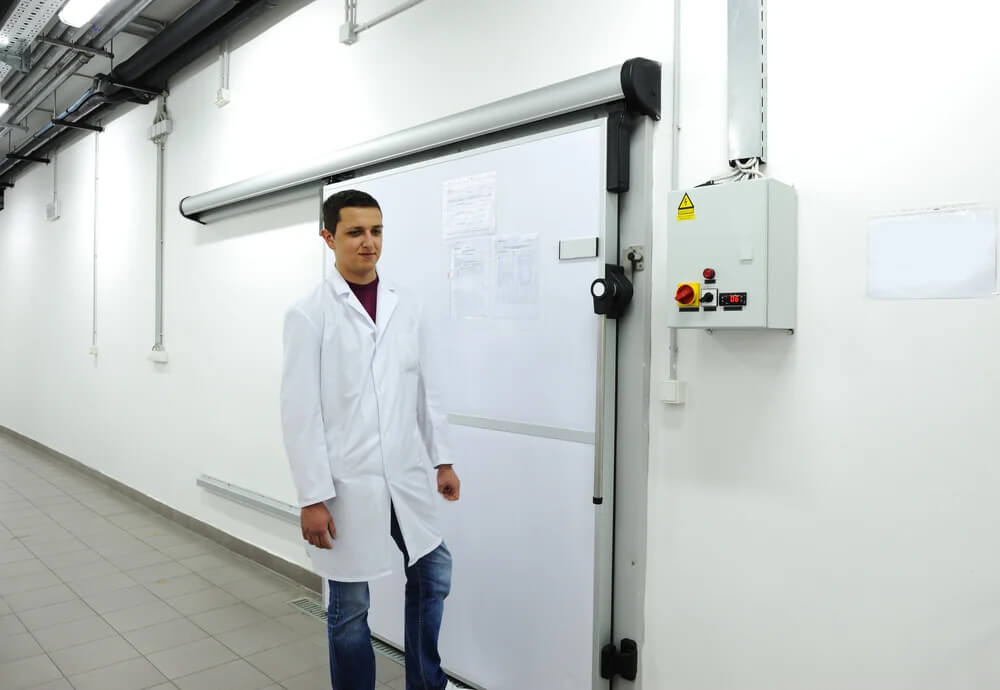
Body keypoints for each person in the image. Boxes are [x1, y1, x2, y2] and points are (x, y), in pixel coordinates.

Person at [280, 189, 462, 690]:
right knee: (350, 607)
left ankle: (426, 683)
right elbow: (299, 413)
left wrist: (442, 460)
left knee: (433, 571)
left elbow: (426, 387)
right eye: (355, 232)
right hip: (346, 484)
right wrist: (311, 497)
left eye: (376, 231)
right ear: (328, 237)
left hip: (404, 474)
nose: (368, 243)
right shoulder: (309, 314)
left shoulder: (408, 306)